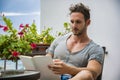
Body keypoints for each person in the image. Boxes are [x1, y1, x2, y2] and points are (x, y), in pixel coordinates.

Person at [46, 3, 104, 80]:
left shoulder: (95, 49)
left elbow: (93, 73)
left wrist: (68, 70)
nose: (74, 26)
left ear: (88, 22)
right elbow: (47, 59)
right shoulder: (58, 40)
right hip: (52, 77)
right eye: (72, 22)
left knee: (86, 75)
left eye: (78, 22)